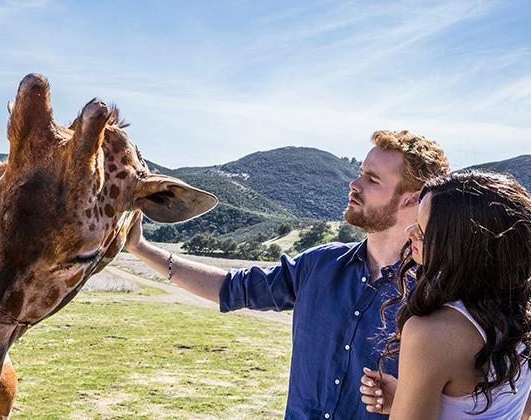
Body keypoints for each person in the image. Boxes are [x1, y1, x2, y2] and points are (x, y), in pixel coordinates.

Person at [125, 130, 450, 419]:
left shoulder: (441, 295)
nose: (354, 184)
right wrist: (141, 248)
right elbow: (231, 287)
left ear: (412, 199)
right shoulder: (319, 265)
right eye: (360, 173)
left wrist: (406, 402)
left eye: (372, 179)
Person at [359, 171, 531, 419]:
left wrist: (404, 404)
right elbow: (521, 410)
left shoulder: (431, 334)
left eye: (423, 230)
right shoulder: (520, 316)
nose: (410, 232)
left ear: (460, 246)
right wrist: (408, 398)